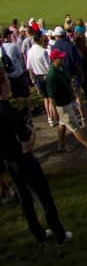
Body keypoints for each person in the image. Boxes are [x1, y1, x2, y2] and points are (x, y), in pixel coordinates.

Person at [0, 66, 72, 245]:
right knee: (43, 197)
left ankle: (38, 233)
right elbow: (27, 145)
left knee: (25, 198)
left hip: (9, 161)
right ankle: (60, 234)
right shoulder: (10, 113)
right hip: (23, 159)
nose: (9, 83)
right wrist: (32, 132)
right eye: (6, 81)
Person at [46, 48, 87, 154]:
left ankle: (61, 145)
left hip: (67, 101)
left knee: (62, 124)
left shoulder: (62, 68)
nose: (63, 58)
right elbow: (51, 97)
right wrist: (53, 112)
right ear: (54, 59)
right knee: (74, 126)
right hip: (61, 106)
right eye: (60, 57)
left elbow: (68, 81)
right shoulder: (51, 76)